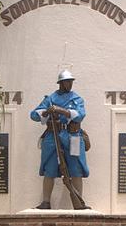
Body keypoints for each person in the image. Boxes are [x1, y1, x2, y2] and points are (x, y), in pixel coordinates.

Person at [30, 69, 89, 209]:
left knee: (76, 169)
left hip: (72, 136)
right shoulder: (50, 99)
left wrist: (60, 110)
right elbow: (33, 115)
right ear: (61, 83)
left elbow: (80, 115)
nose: (70, 84)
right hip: (53, 135)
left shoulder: (77, 99)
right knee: (49, 168)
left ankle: (78, 202)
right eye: (67, 82)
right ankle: (46, 201)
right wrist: (46, 111)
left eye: (71, 81)